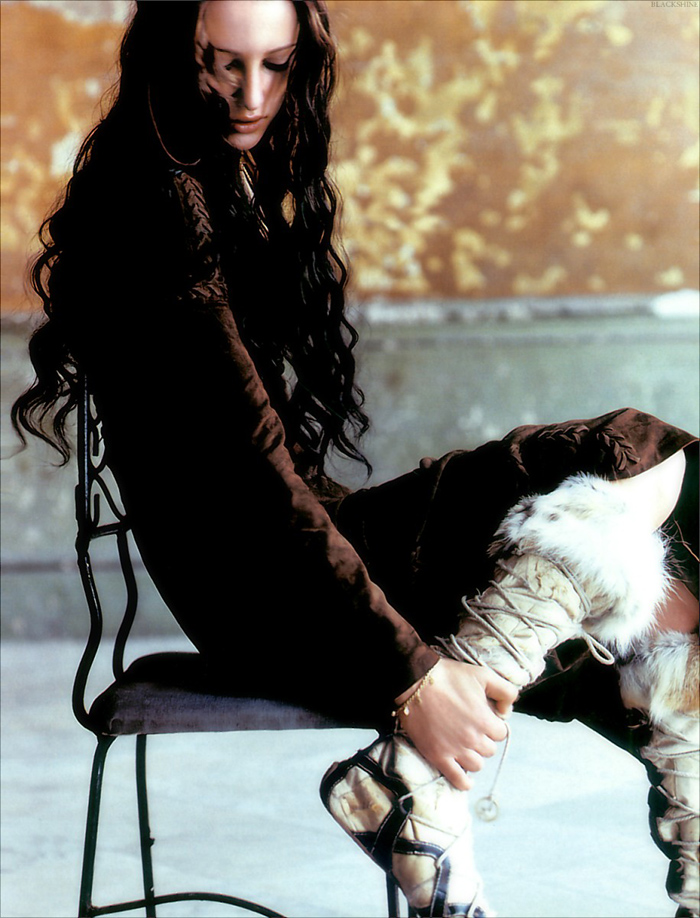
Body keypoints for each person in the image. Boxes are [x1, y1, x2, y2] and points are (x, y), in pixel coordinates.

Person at [11, 2, 698, 916]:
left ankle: (420, 790)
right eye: (222, 64)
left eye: (277, 65)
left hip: (279, 563)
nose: (250, 96)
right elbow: (256, 482)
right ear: (173, 55)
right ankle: (423, 783)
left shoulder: (208, 183)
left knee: (668, 553)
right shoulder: (156, 211)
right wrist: (415, 677)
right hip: (269, 584)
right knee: (644, 458)